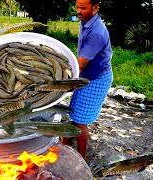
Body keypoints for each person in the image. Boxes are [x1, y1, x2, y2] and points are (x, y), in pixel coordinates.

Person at [61, 0, 113, 159]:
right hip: (86, 75)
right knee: (73, 113)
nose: (78, 11)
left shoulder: (97, 33)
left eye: (83, 8)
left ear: (96, 7)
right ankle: (66, 147)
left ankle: (81, 159)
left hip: (96, 79)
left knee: (80, 121)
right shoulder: (86, 21)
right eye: (77, 7)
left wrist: (60, 84)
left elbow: (81, 64)